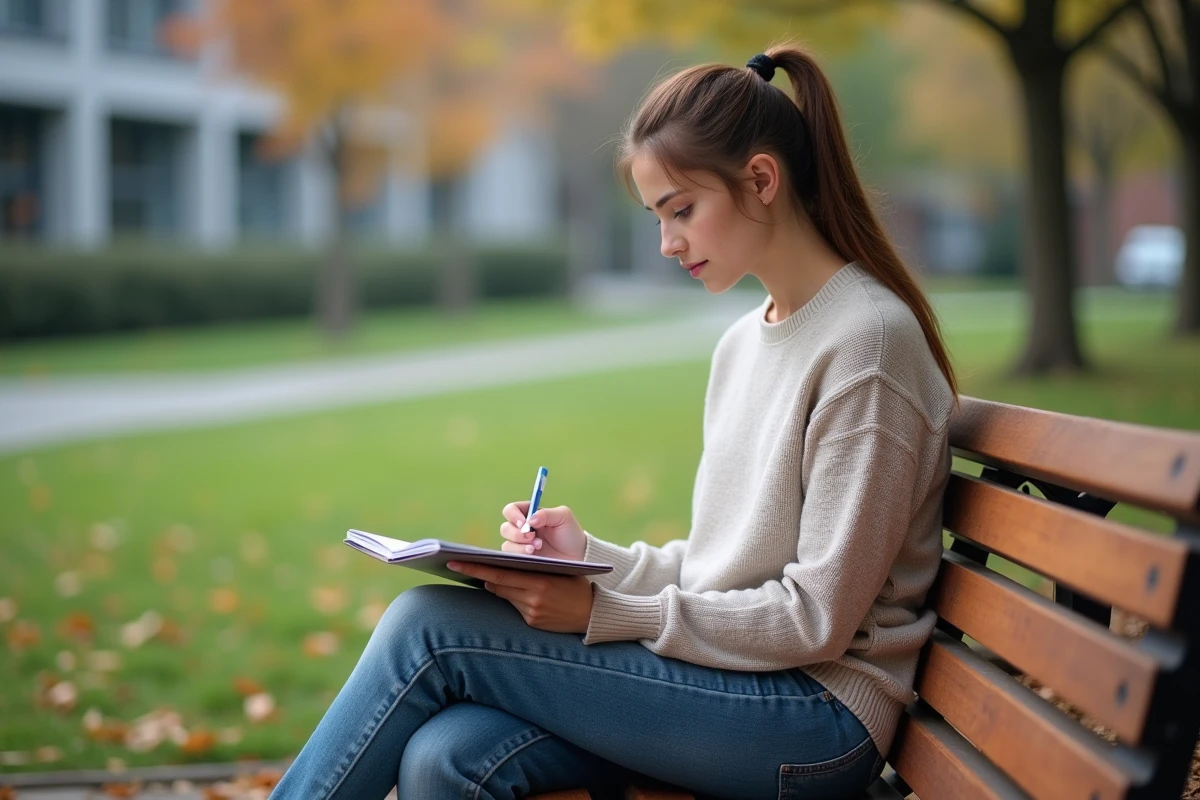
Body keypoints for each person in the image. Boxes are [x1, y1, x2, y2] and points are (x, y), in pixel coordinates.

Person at [270, 43, 957, 800]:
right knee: (446, 754)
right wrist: (588, 561)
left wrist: (604, 609)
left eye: (681, 211)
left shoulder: (869, 345)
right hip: (736, 685)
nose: (668, 244)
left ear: (761, 179)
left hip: (814, 717)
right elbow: (721, 567)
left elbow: (814, 618)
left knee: (425, 627)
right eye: (657, 217)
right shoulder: (743, 343)